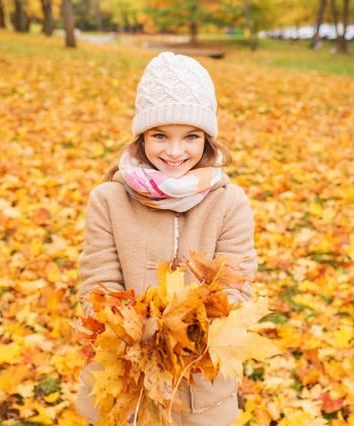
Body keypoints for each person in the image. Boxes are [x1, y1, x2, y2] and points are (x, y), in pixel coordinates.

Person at [74, 51, 258, 425]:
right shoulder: (108, 200)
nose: (175, 152)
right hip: (126, 380)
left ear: (207, 139)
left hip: (198, 385)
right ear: (142, 136)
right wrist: (132, 330)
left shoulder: (229, 203)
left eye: (190, 137)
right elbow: (97, 284)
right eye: (160, 135)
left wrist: (180, 332)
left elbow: (235, 289)